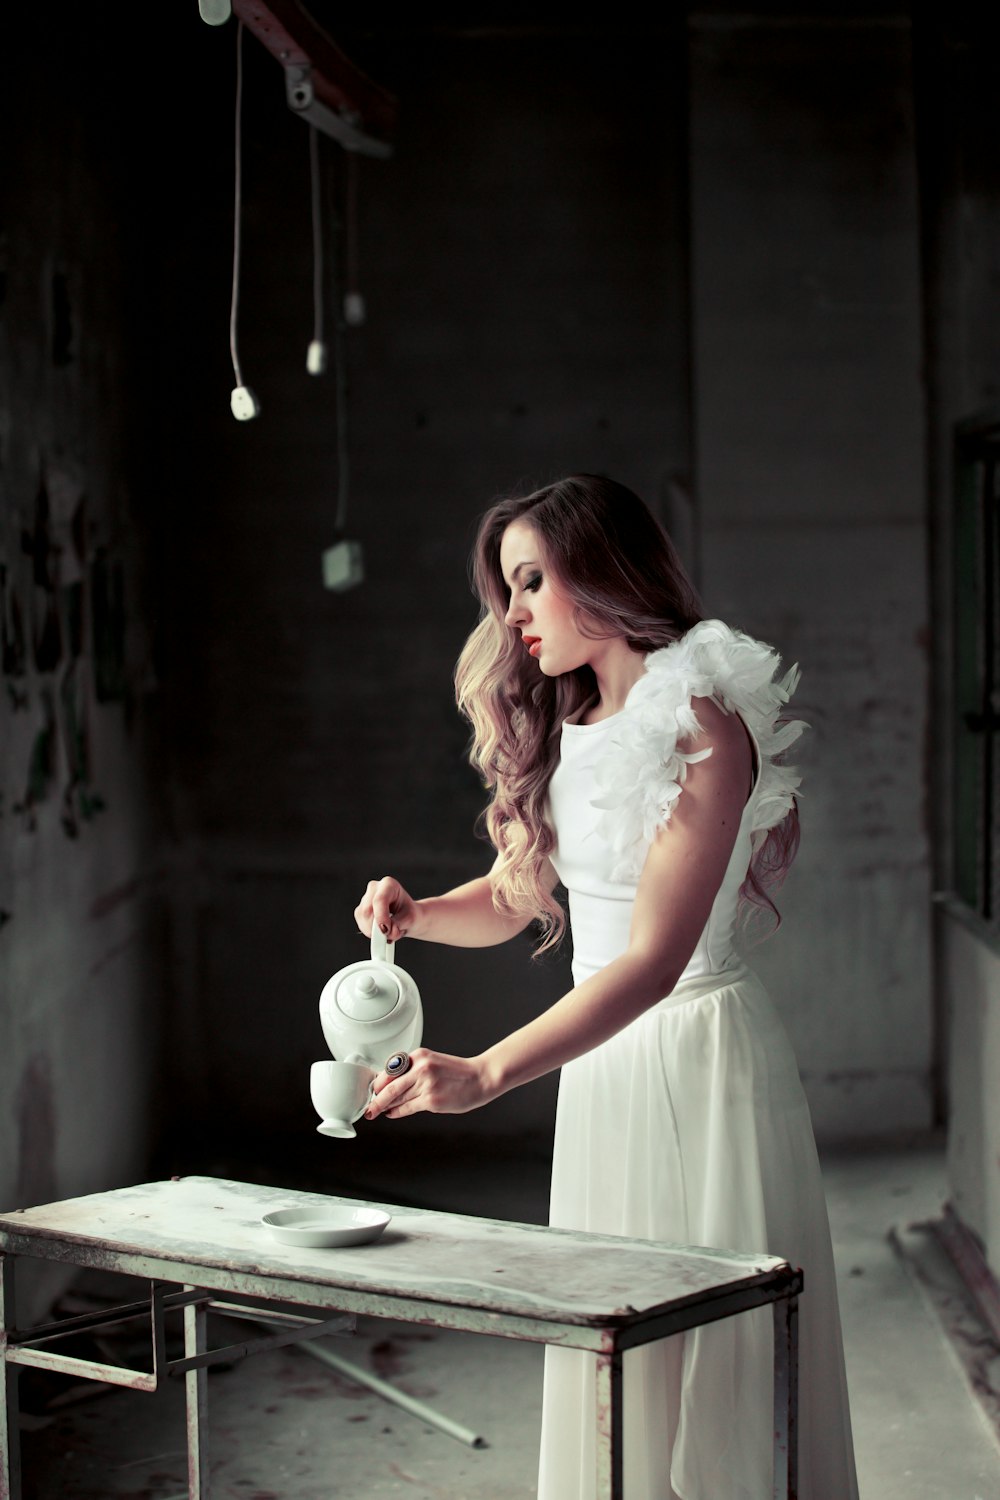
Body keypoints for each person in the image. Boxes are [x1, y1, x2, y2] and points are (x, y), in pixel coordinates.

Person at [354, 474, 858, 1500]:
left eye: (533, 581)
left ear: (604, 570)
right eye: (507, 590)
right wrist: (415, 912)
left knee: (719, 1376)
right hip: (605, 1066)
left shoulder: (701, 725)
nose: (515, 613)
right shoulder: (576, 726)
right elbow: (515, 895)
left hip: (694, 1055)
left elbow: (651, 959)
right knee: (617, 1358)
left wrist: (489, 1071)